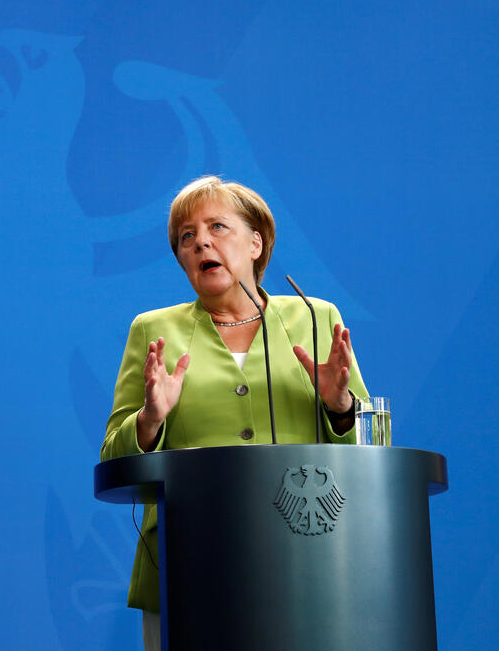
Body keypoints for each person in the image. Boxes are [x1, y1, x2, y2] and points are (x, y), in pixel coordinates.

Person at [100, 176, 367, 649]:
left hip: (308, 560)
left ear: (256, 242)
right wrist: (150, 419)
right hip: (186, 561)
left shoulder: (316, 315)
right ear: (183, 259)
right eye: (187, 236)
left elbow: (370, 448)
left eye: (217, 227)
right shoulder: (153, 329)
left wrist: (339, 406)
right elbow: (114, 454)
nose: (200, 240)